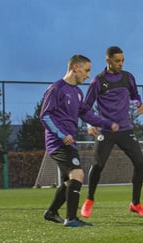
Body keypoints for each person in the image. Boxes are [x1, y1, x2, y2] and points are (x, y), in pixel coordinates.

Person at [40, 54, 119, 227]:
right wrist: (61, 135)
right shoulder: (56, 89)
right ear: (75, 68)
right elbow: (45, 116)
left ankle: (51, 212)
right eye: (87, 70)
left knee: (69, 181)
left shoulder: (77, 92)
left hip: (69, 141)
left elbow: (86, 113)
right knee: (78, 174)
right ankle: (71, 219)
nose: (88, 75)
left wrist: (107, 123)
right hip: (59, 142)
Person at [81, 46, 143, 218]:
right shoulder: (98, 81)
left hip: (125, 129)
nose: (120, 64)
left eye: (122, 61)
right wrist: (89, 124)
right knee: (98, 165)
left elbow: (135, 95)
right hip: (106, 130)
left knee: (140, 162)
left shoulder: (128, 77)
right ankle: (89, 200)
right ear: (108, 60)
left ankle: (136, 203)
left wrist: (139, 104)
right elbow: (85, 108)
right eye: (117, 60)